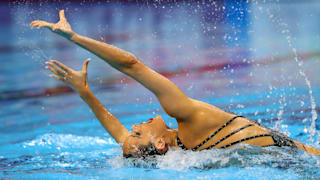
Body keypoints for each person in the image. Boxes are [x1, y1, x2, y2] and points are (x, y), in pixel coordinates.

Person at [30, 10, 320, 158]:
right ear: (159, 143)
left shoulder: (179, 155)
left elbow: (120, 136)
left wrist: (85, 92)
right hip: (306, 160)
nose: (133, 127)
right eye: (138, 133)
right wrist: (75, 38)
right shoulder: (185, 116)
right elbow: (132, 64)